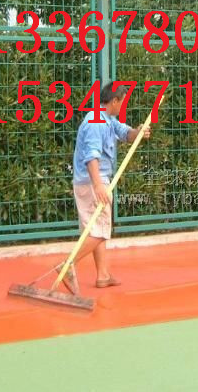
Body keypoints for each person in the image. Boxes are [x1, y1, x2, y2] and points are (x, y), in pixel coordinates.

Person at [63, 81, 150, 292]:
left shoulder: (108, 119)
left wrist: (138, 132)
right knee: (101, 231)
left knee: (96, 230)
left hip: (91, 182)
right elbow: (91, 156)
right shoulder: (96, 122)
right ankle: (67, 266)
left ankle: (102, 275)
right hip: (93, 183)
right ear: (115, 101)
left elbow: (126, 134)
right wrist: (98, 186)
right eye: (123, 102)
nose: (123, 106)